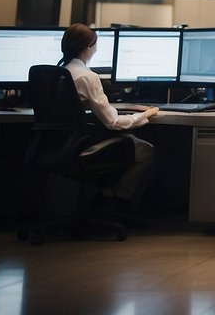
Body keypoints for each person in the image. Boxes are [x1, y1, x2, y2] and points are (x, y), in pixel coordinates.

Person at [60, 24, 158, 209]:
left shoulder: (59, 74)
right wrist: (145, 114)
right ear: (89, 47)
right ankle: (118, 198)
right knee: (147, 150)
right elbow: (113, 122)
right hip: (85, 147)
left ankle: (106, 193)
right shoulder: (87, 77)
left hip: (59, 145)